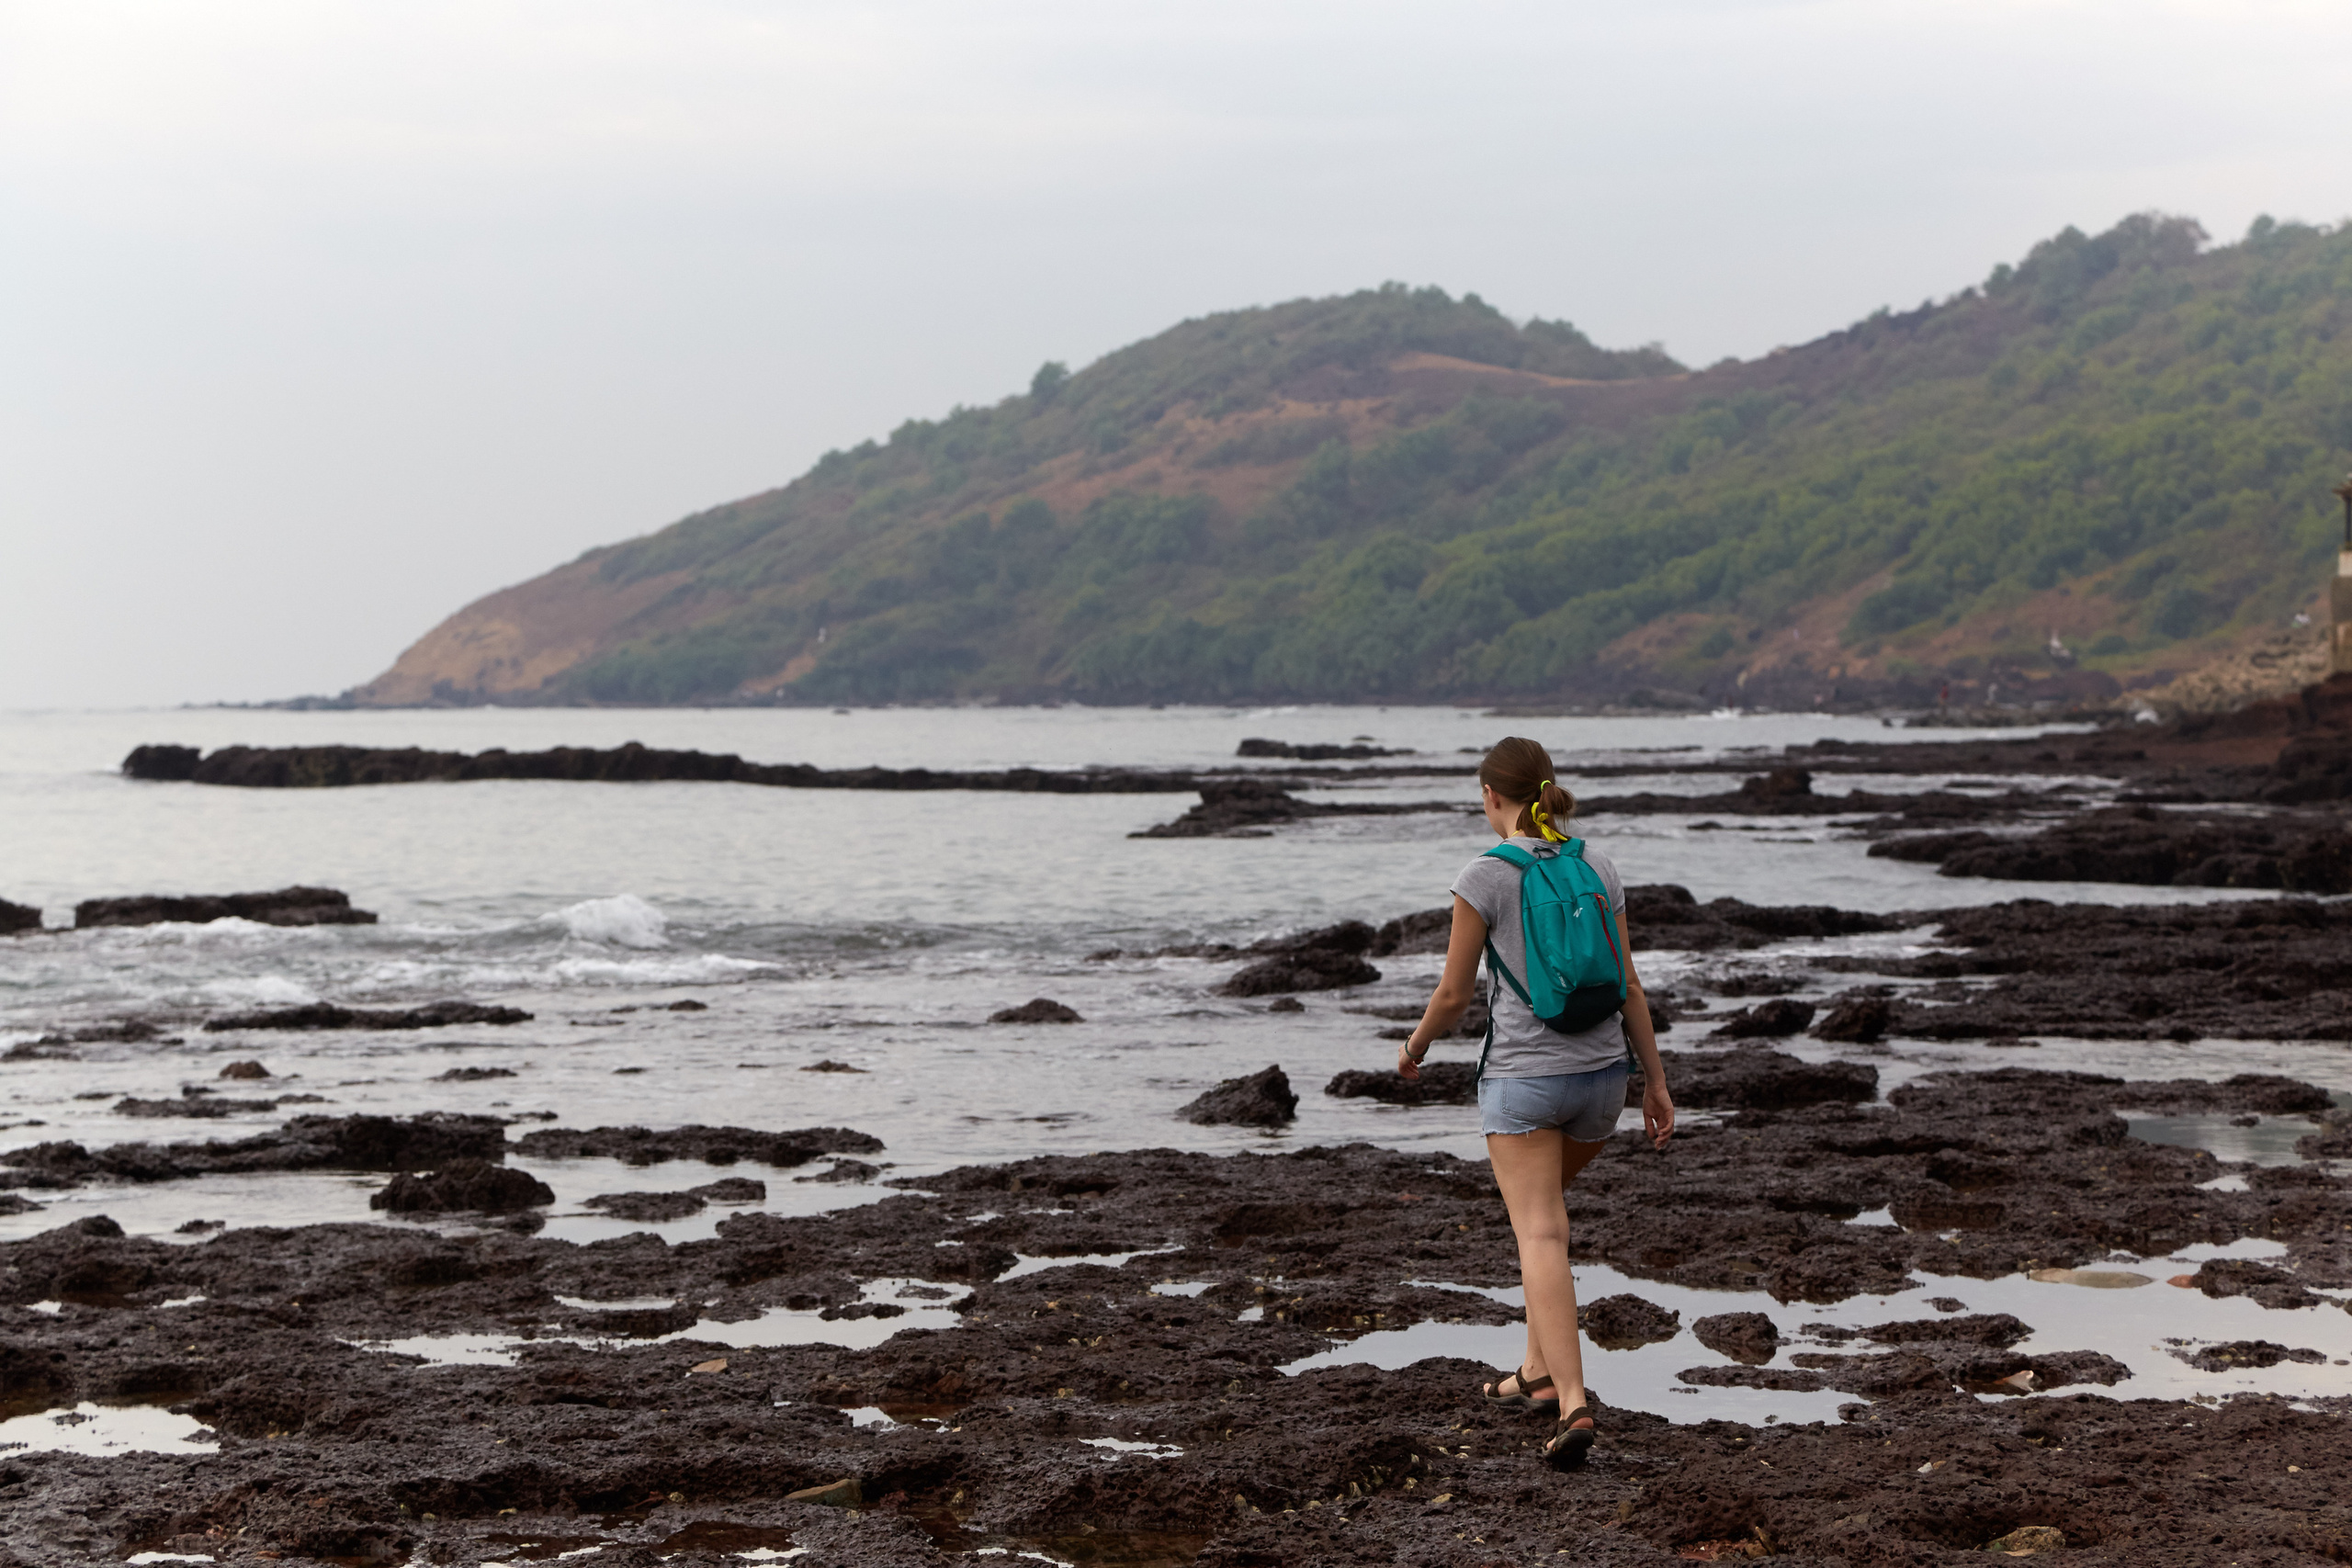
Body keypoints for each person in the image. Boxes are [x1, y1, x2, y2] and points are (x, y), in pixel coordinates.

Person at [1396, 736, 1673, 1467]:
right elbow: (1631, 986)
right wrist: (1656, 1082)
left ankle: (1575, 1402)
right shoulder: (1595, 863)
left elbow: (1454, 995)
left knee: (1541, 1234)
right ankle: (1536, 1374)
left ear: (1492, 795)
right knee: (1540, 1217)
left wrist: (1415, 1047)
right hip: (1602, 1083)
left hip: (1523, 1082)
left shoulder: (1484, 875)